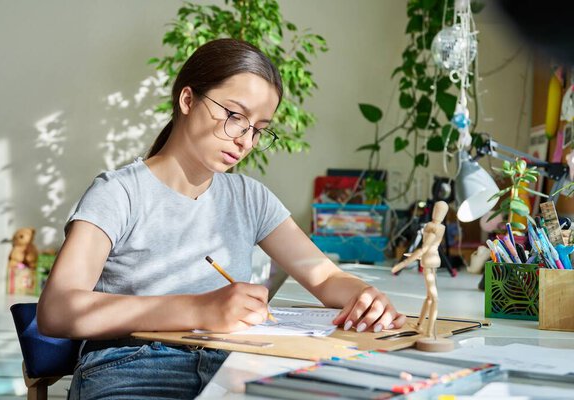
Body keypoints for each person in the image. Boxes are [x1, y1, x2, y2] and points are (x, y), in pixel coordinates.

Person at [37, 38, 406, 400]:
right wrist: (200, 308)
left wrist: (363, 296)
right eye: (234, 116)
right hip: (131, 366)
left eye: (259, 129)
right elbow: (57, 310)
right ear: (187, 100)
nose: (245, 140)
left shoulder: (249, 197)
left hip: (232, 363)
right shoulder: (118, 193)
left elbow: (324, 276)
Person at [391, 201, 448, 338]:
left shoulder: (432, 227)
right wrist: (413, 256)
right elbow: (430, 247)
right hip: (434, 259)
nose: (437, 212)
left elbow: (424, 248)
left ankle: (429, 331)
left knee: (434, 298)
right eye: (436, 209)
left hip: (428, 261)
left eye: (439, 210)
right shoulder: (441, 227)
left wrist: (404, 263)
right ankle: (419, 325)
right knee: (429, 297)